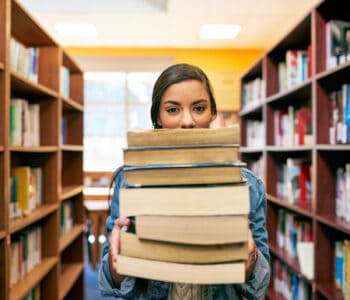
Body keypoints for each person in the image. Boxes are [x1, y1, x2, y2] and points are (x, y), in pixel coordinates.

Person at [98, 63, 270, 299]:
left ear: (212, 113)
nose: (188, 121)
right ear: (158, 117)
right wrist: (117, 265)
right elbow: (109, 284)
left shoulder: (247, 187)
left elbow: (260, 285)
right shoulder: (132, 181)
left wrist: (249, 263)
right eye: (172, 110)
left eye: (199, 108)